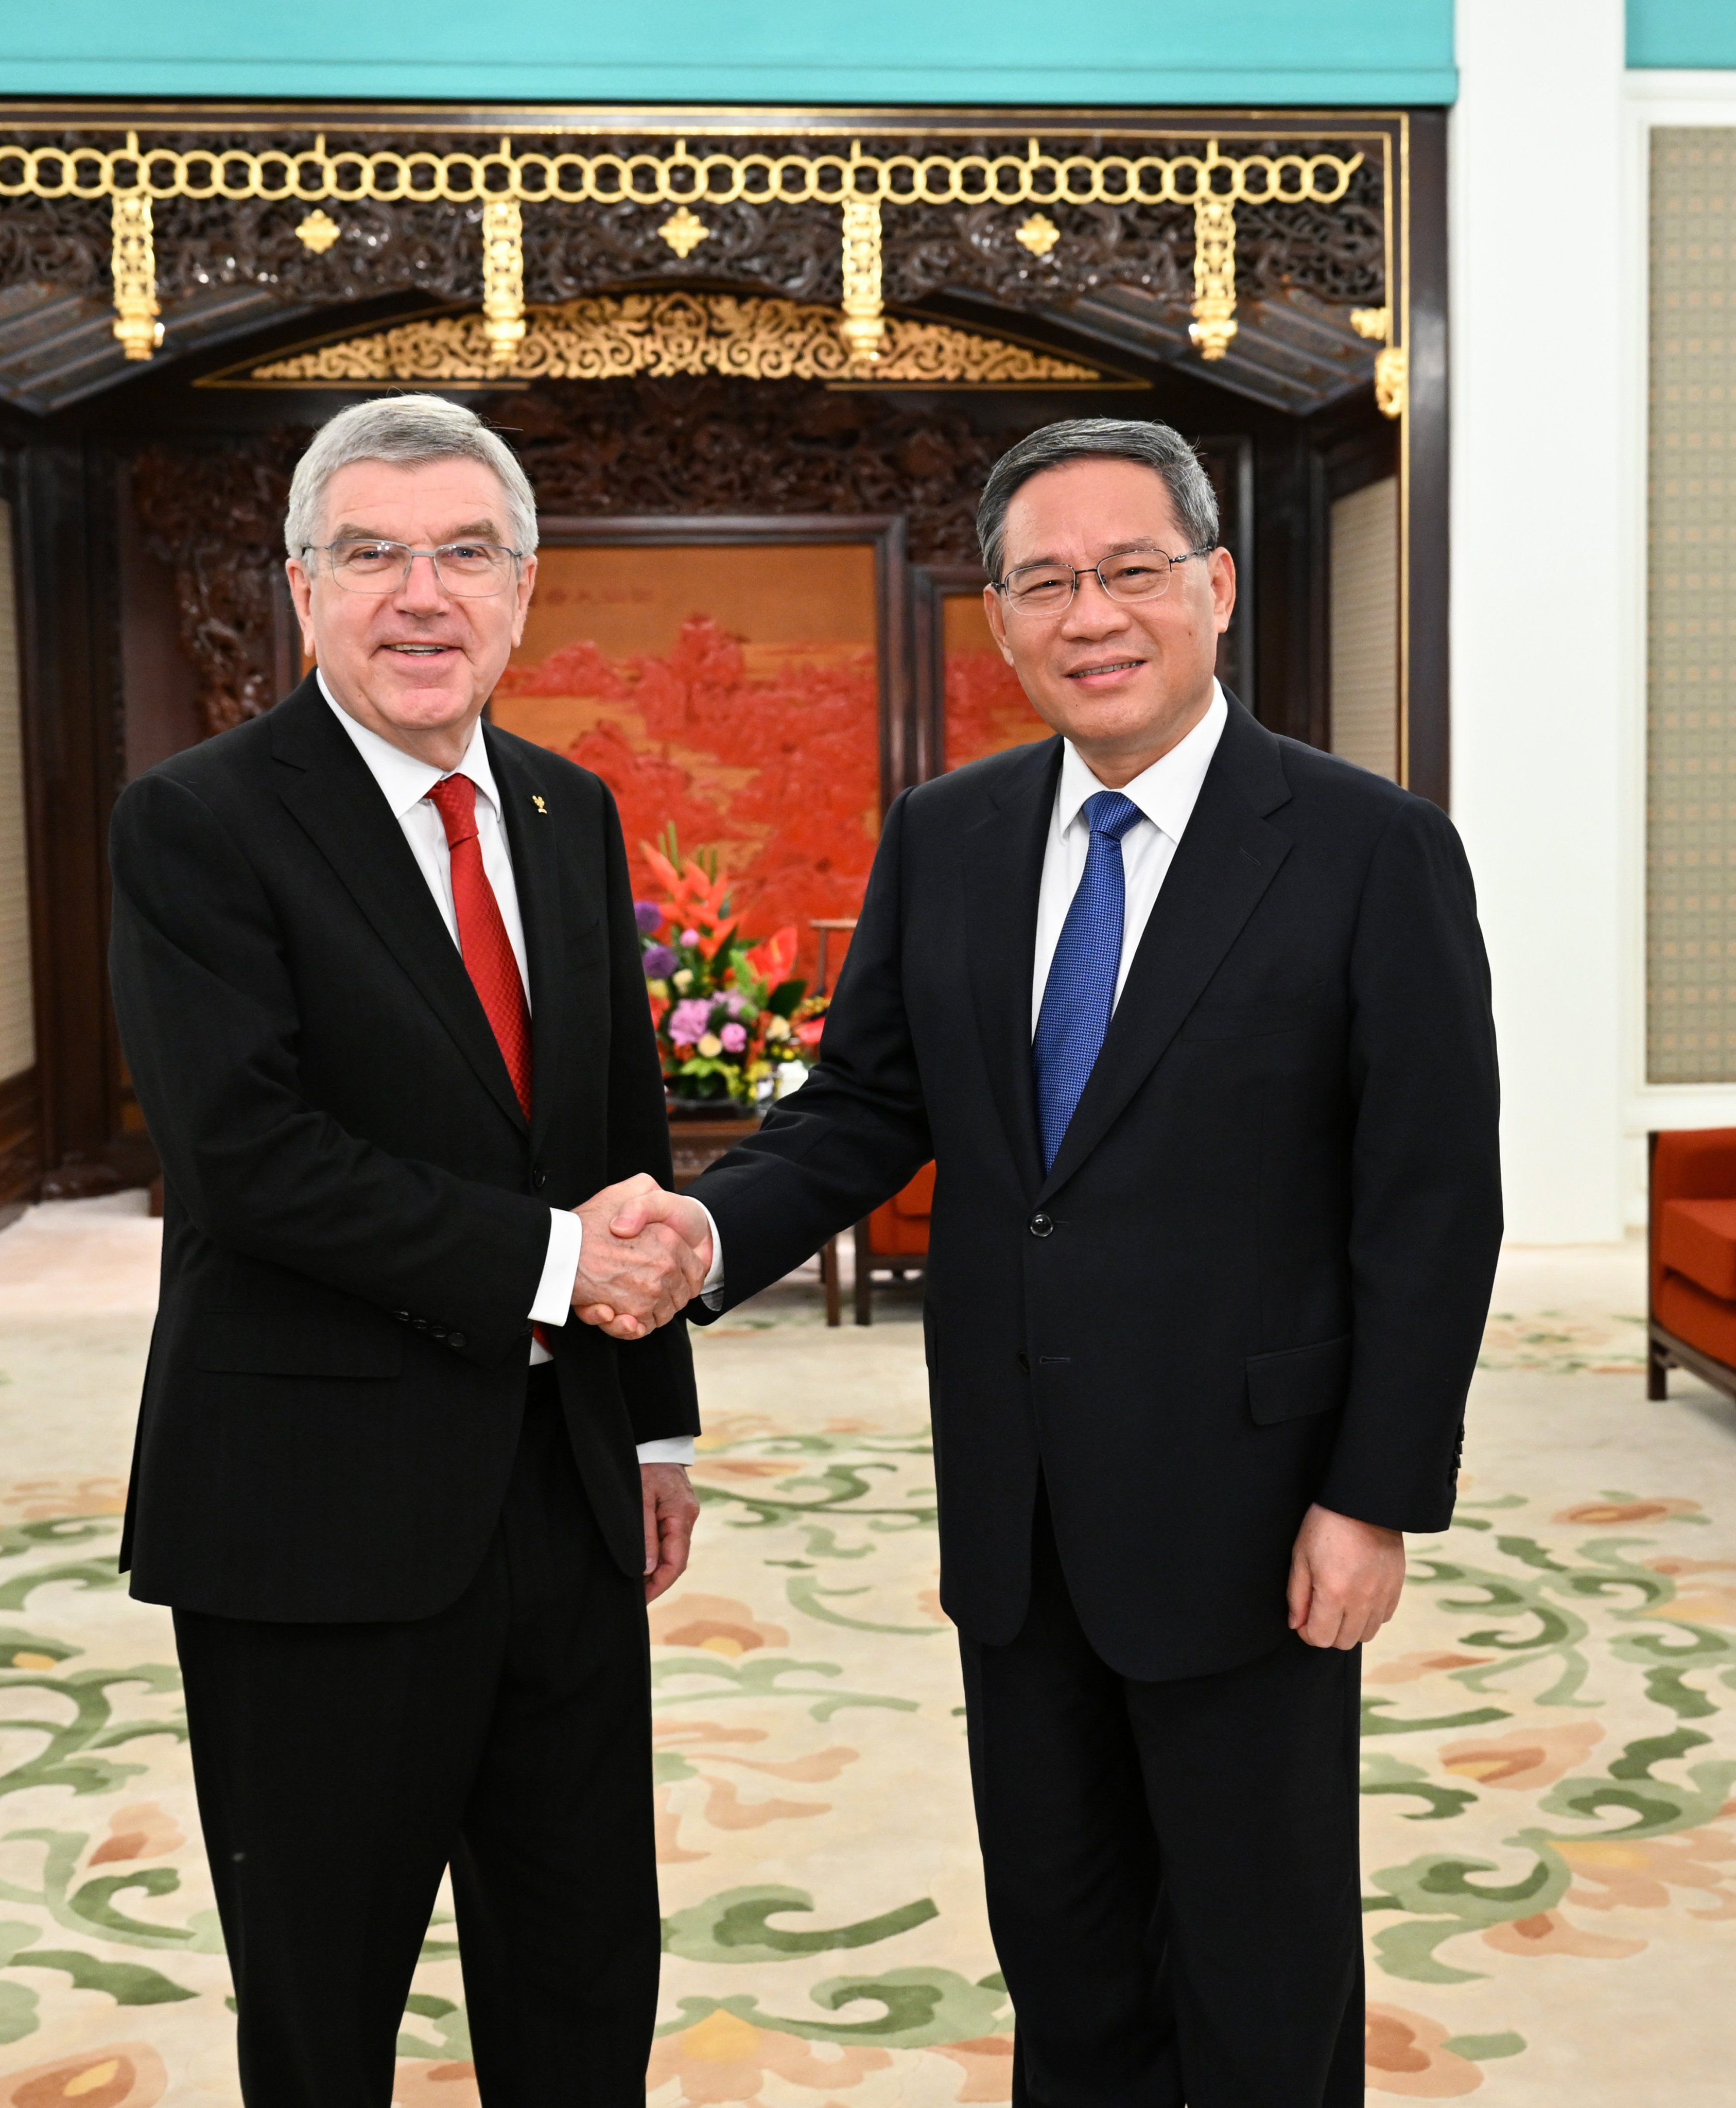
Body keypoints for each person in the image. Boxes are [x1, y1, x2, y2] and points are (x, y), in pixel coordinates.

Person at [603, 420, 1503, 2106]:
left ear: (1214, 588)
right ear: (1001, 622)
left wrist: (1375, 1493)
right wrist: (711, 1229)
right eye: (1046, 583)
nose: (1091, 615)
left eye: (1130, 572)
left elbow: (1430, 1203)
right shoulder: (951, 833)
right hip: (1016, 1513)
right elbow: (869, 1103)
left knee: (1260, 1963)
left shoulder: (1367, 850)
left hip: (1257, 1512)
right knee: (1068, 1956)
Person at [108, 394, 714, 2108]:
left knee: (585, 1964)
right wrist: (549, 1270)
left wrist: (651, 1421)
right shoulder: (201, 823)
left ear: (526, 591)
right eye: (370, 553)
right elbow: (247, 1160)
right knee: (325, 1996)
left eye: (464, 553)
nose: (419, 593)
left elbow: (617, 1140)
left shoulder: (564, 809)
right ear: (300, 590)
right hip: (314, 1503)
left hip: (567, 1492)